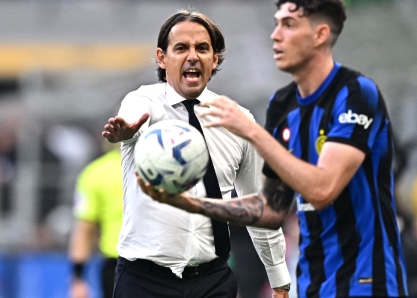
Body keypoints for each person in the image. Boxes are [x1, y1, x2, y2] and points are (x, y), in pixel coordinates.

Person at [139, 0, 409, 297]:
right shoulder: (283, 104)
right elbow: (269, 208)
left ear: (319, 35)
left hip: (365, 281)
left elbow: (323, 190)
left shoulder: (355, 94)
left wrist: (252, 131)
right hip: (312, 282)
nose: (275, 34)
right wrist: (192, 204)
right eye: (276, 23)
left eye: (288, 25)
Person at [101, 9, 291, 298]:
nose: (193, 56)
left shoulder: (239, 120)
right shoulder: (143, 101)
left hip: (213, 280)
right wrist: (126, 131)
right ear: (162, 58)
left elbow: (259, 207)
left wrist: (279, 280)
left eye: (202, 48)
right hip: (143, 281)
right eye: (181, 48)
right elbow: (133, 117)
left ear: (214, 59)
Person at [68, 144, 123, 298]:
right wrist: (78, 278)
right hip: (163, 264)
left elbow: (84, 229)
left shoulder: (95, 172)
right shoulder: (169, 166)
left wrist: (77, 278)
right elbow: (85, 228)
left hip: (118, 268)